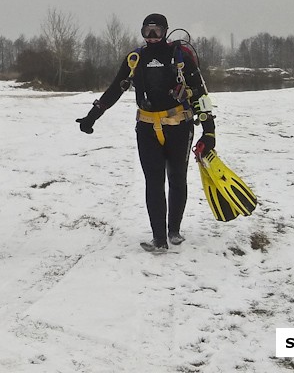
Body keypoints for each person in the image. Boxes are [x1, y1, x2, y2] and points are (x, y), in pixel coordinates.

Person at [75, 14, 215, 252]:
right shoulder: (135, 59)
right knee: (154, 182)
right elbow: (114, 90)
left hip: (179, 126)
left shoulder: (180, 58)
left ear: (165, 31)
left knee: (177, 178)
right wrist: (92, 116)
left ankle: (174, 231)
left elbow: (200, 94)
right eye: (147, 31)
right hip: (147, 128)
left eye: (157, 31)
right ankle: (159, 239)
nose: (151, 36)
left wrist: (209, 132)